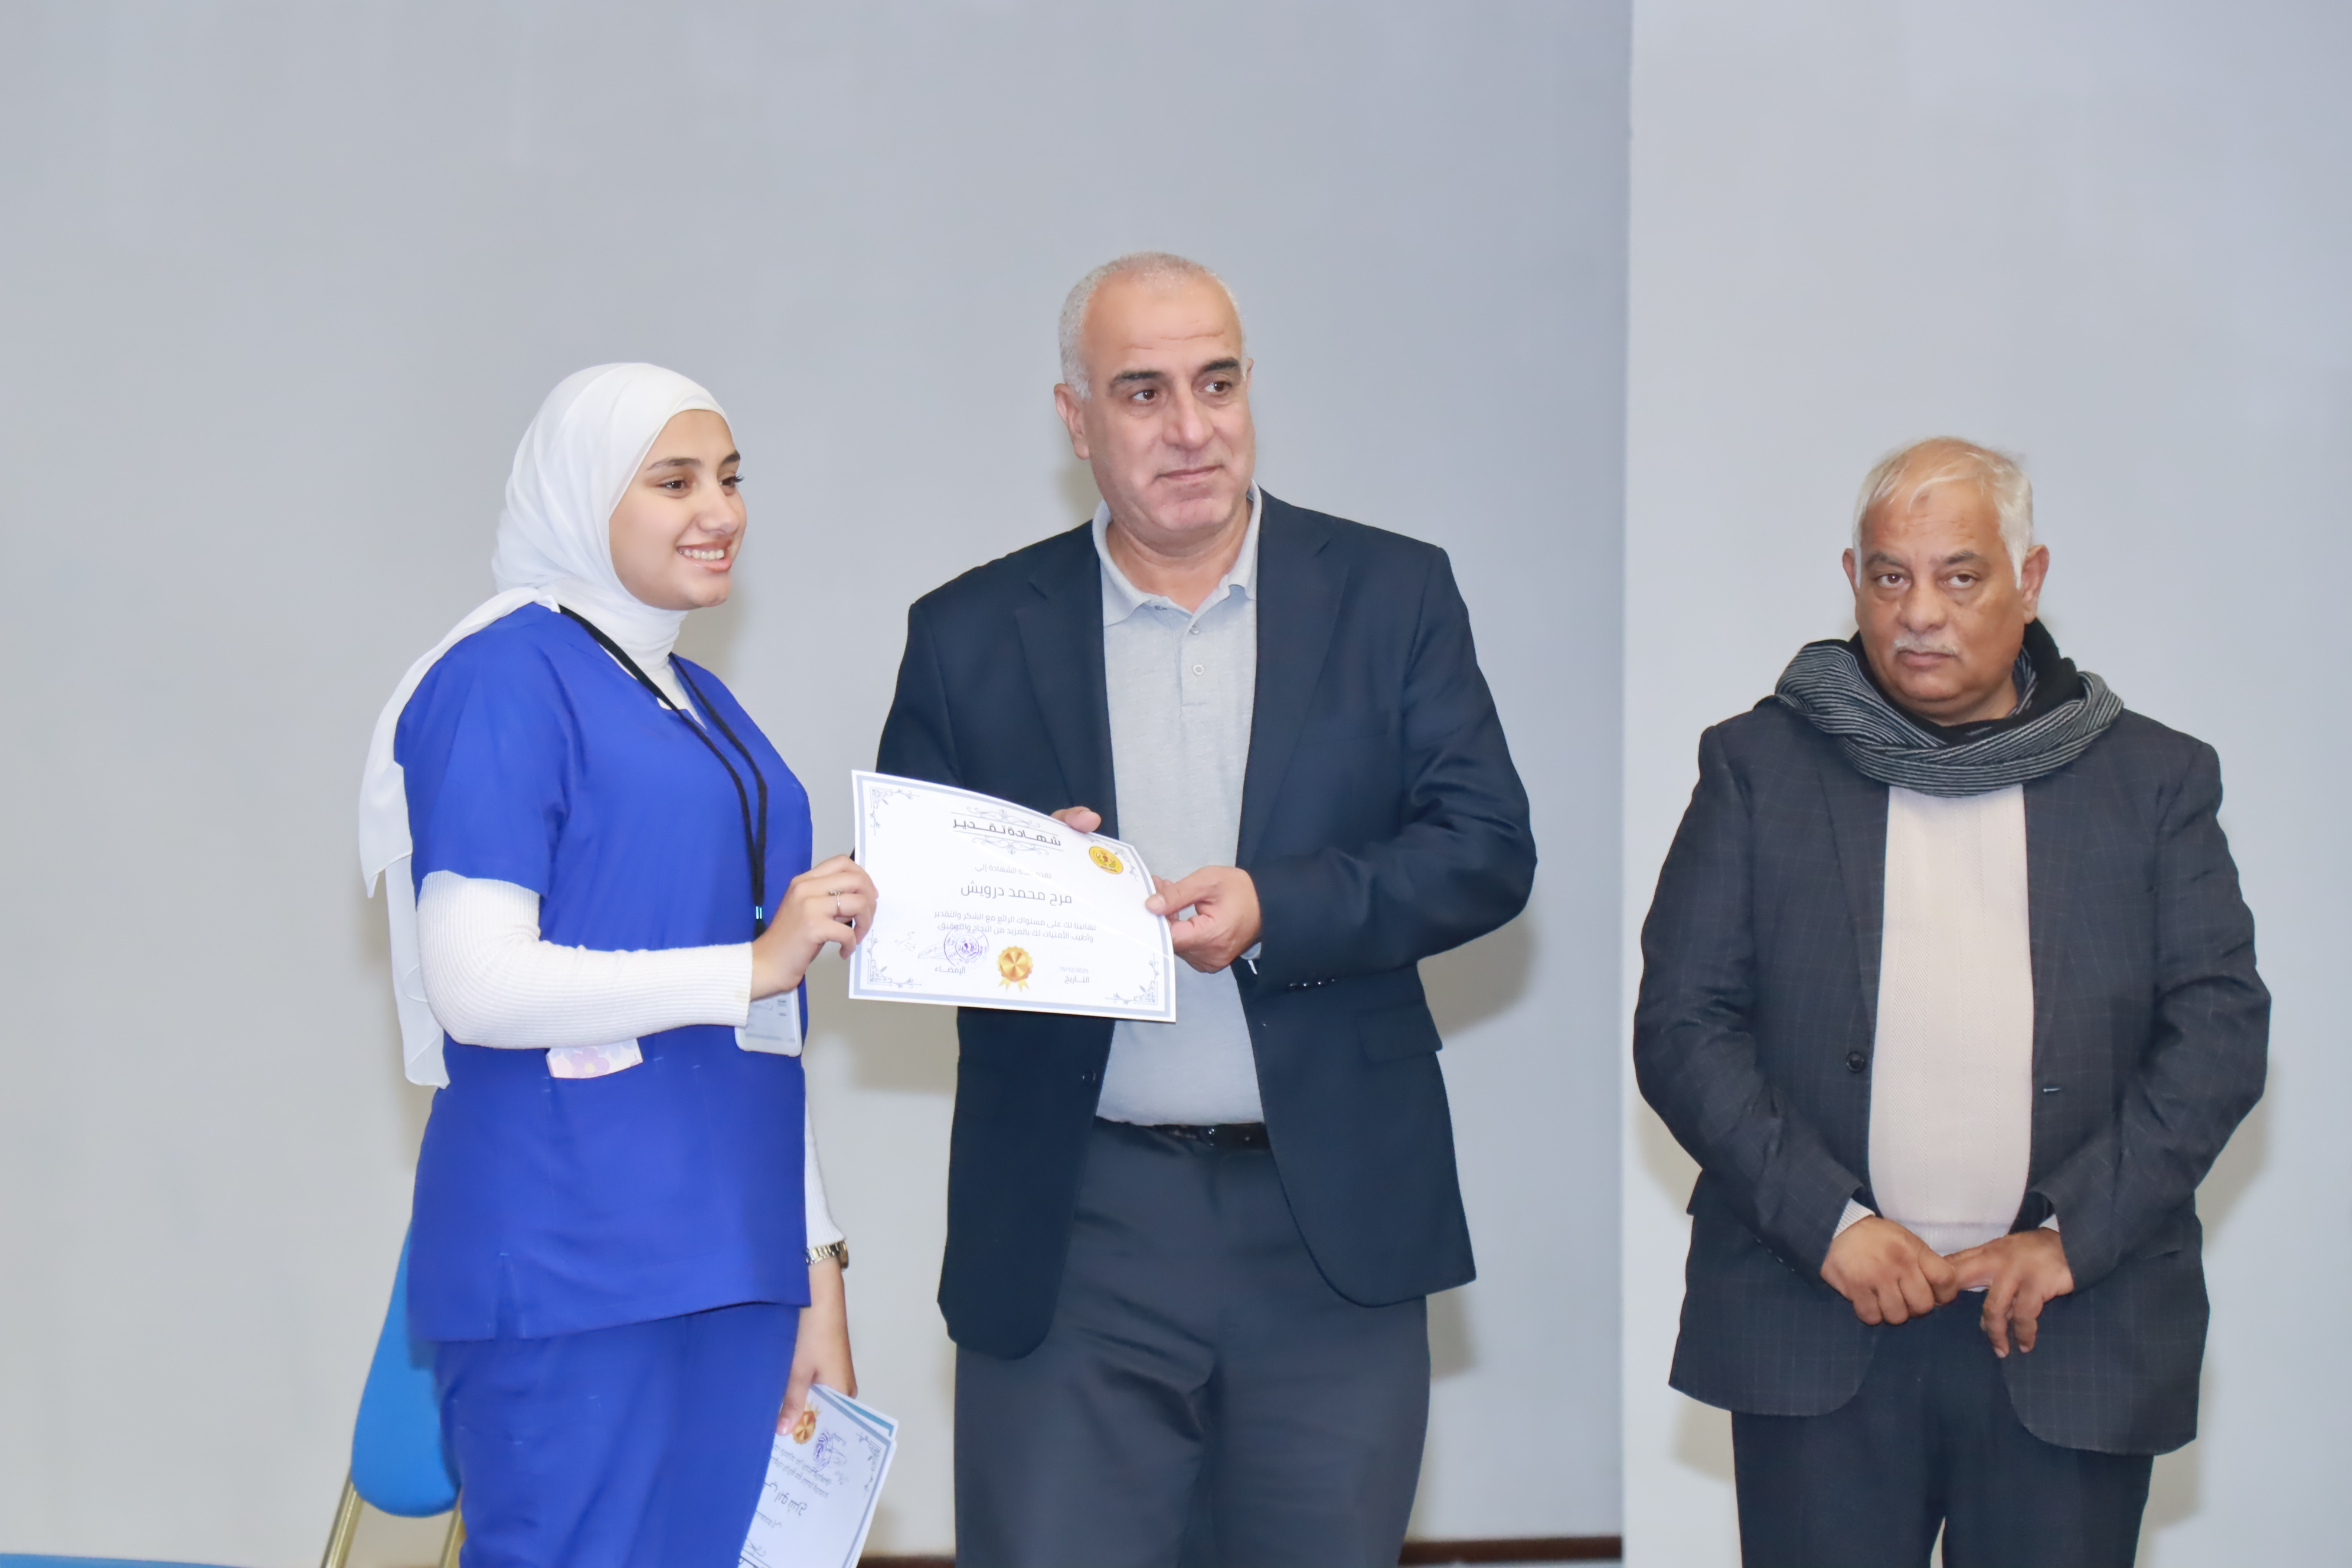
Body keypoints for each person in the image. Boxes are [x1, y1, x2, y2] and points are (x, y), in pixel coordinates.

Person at [876, 252, 1536, 1567]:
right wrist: (1025, 888)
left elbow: (1485, 851)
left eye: (1217, 384)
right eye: (1143, 392)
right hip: (1075, 1229)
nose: (1191, 427)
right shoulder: (969, 632)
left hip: (1330, 1222)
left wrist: (1276, 906)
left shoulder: (1392, 594)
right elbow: (910, 911)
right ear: (1075, 420)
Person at [1634, 437, 2268, 1567]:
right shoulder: (1759, 766)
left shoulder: (2153, 780)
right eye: (1890, 576)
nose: (1920, 612)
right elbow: (1684, 1027)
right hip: (1816, 1311)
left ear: (2030, 580)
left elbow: (2218, 1034)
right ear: (1853, 581)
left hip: (2073, 1322)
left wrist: (2072, 1238)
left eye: (1960, 576)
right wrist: (1832, 1226)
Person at [355, 363, 877, 1567]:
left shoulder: (706, 706)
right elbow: (477, 983)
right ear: (581, 495)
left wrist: (815, 1262)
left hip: (732, 1259)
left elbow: (769, 1020)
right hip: (570, 1256)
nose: (721, 511)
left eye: (731, 479)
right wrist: (747, 963)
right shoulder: (500, 677)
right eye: (674, 481)